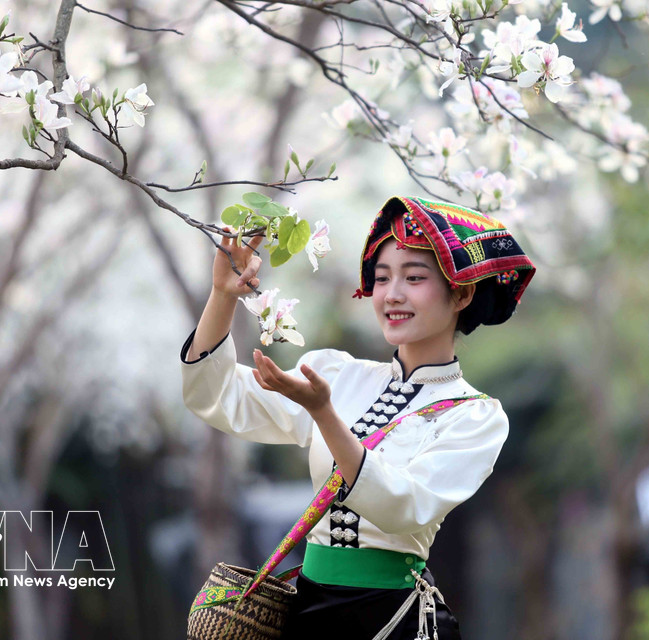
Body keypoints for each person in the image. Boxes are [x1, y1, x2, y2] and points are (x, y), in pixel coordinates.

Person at [180, 196, 536, 639]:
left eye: (415, 278)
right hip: (307, 612)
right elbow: (216, 397)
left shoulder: (476, 417)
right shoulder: (337, 376)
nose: (392, 294)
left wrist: (323, 414)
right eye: (383, 278)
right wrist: (222, 296)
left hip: (393, 619)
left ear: (461, 293)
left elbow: (404, 506)